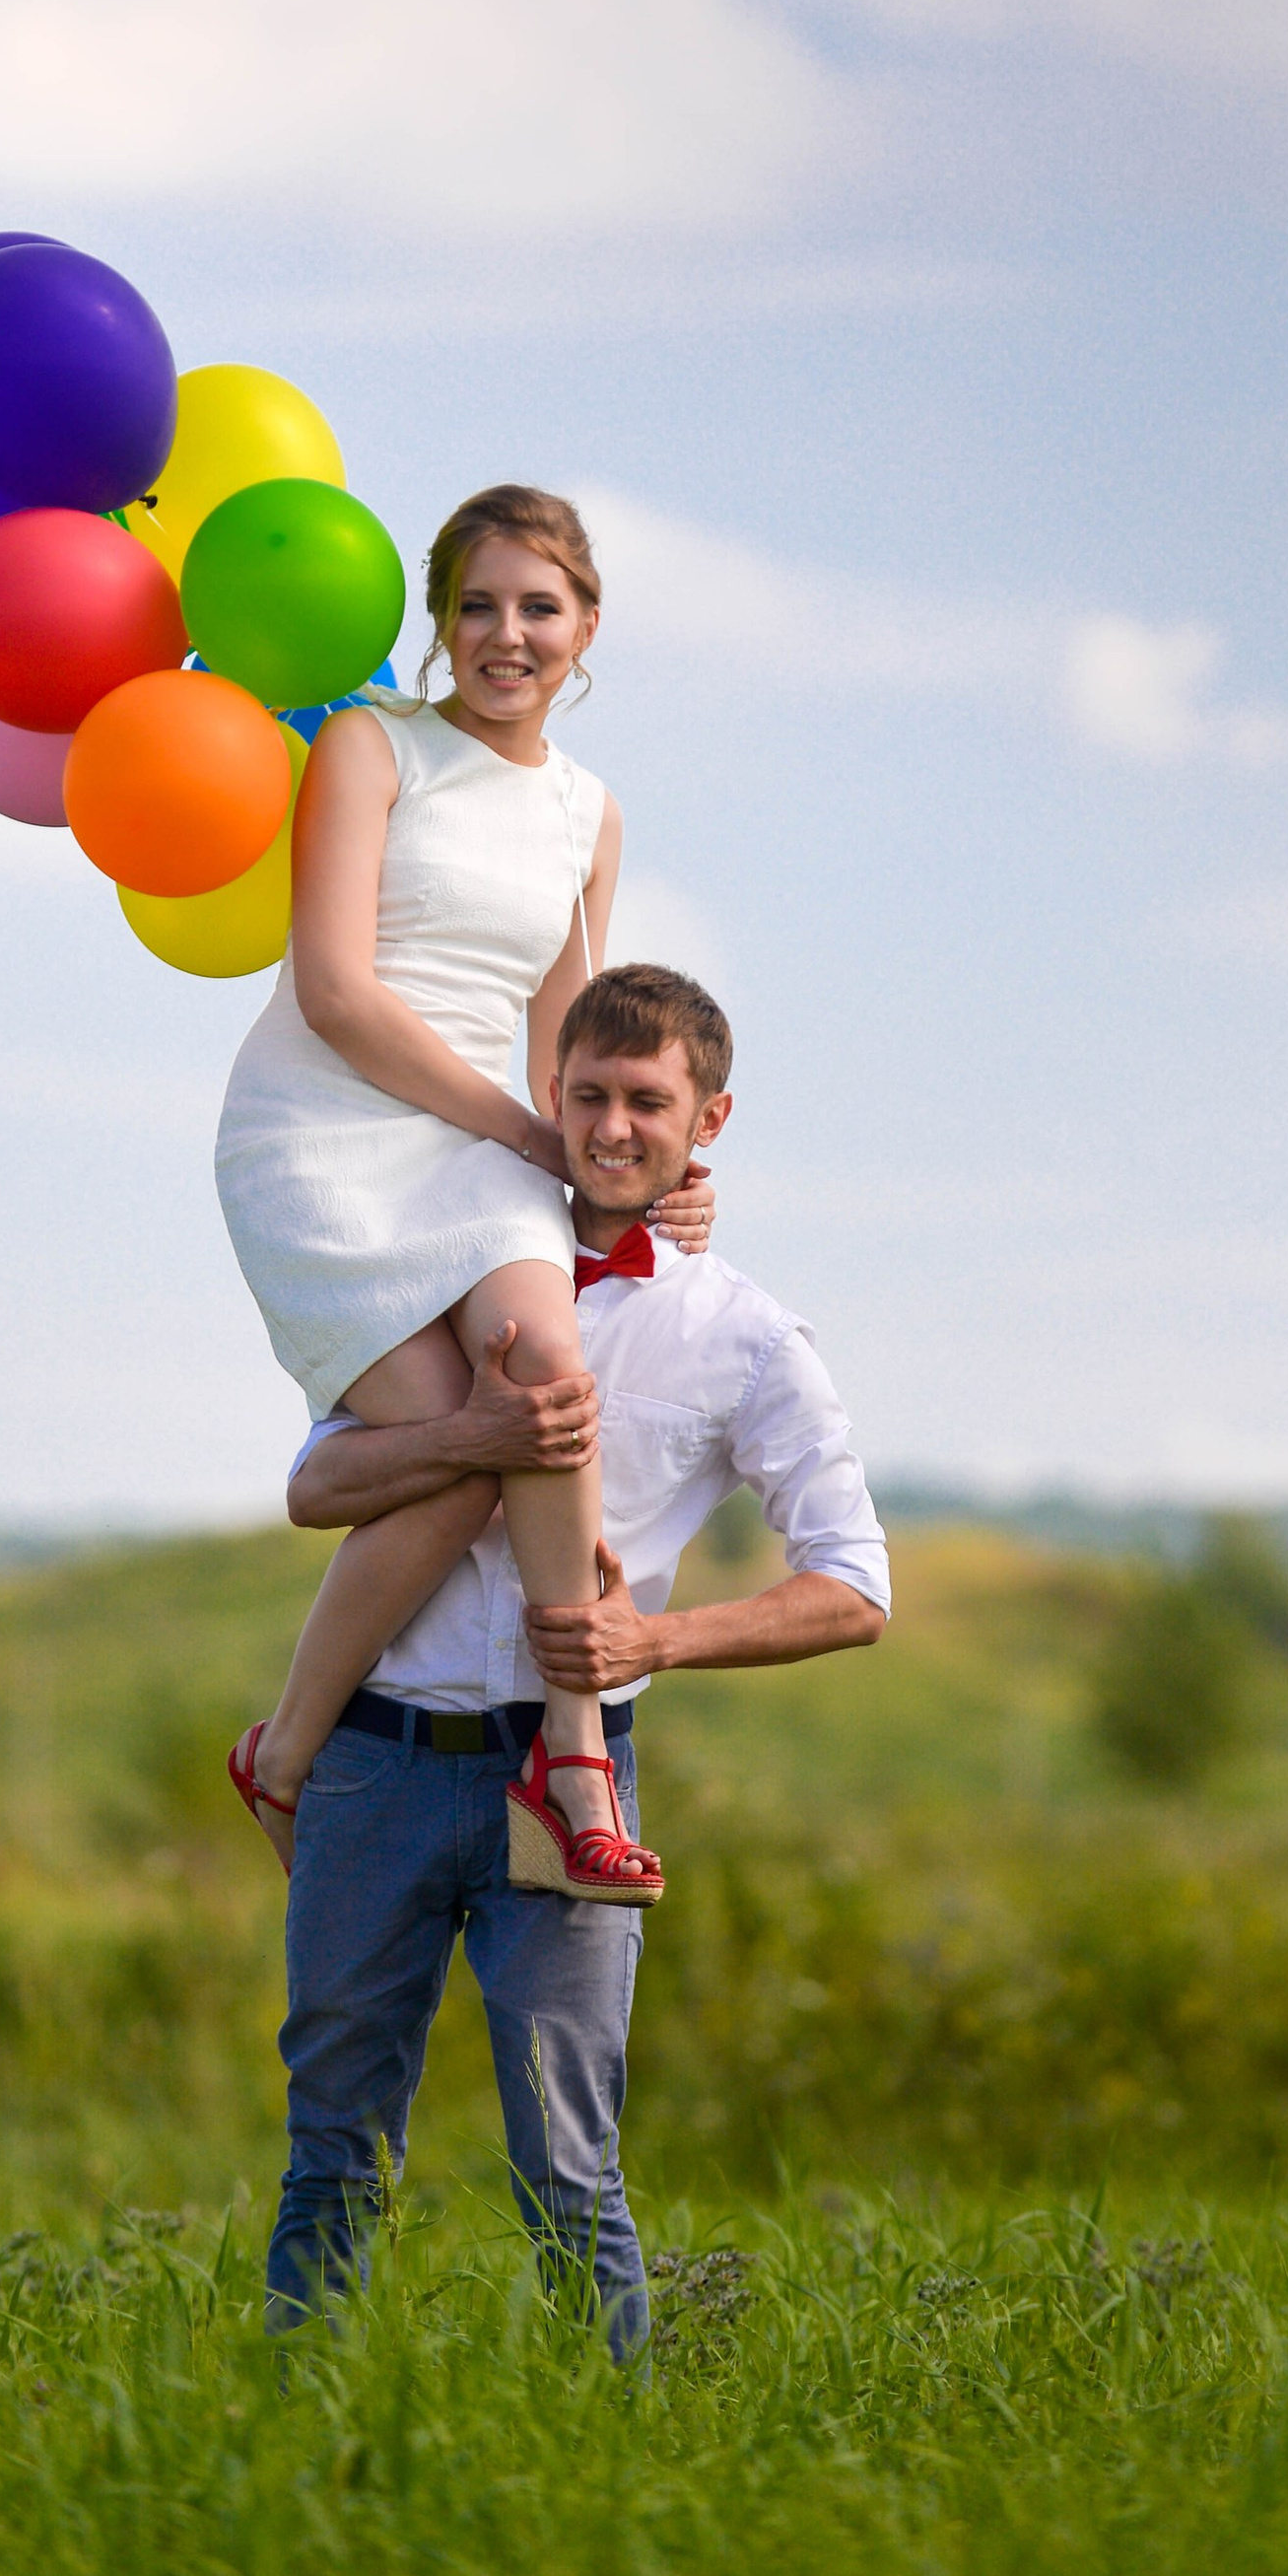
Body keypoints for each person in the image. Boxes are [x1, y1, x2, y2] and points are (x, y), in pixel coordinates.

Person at [268, 961, 890, 2355]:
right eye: (590, 1094)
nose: (614, 1127)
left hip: (571, 1776)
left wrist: (653, 1637)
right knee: (333, 2143)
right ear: (549, 1097)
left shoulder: (744, 1339)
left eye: (648, 1103)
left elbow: (855, 1587)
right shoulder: (451, 1279)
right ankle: (292, 2432)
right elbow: (316, 1493)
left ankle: (613, 2440)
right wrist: (473, 1440)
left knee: (568, 2161)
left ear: (709, 1120)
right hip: (377, 1760)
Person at [214, 484, 709, 1906]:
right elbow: (336, 993)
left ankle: (570, 1763)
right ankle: (286, 1752)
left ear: (586, 626)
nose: (507, 636)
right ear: (439, 625)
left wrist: (638, 1176)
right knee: (461, 1446)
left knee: (547, 1380)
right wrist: (524, 1134)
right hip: (321, 1132)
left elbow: (568, 1040)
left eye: (538, 607)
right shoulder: (375, 749)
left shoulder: (588, 813)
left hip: (486, 1132)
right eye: (477, 607)